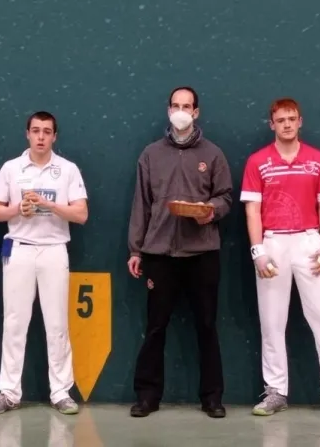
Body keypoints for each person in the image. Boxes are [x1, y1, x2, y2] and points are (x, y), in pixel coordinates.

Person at [239, 98, 320, 419]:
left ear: (300, 121)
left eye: (292, 118)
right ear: (272, 124)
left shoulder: (318, 160)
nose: (287, 124)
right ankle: (276, 391)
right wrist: (257, 250)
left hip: (309, 242)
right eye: (281, 120)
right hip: (272, 243)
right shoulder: (257, 162)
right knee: (272, 322)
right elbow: (252, 210)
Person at [127, 86, 232, 418]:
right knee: (155, 327)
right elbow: (141, 204)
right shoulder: (150, 154)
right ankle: (147, 396)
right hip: (159, 255)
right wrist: (136, 249)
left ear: (196, 112)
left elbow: (225, 197)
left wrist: (210, 211)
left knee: (207, 326)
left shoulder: (213, 154)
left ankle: (212, 397)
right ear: (168, 110)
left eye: (187, 106)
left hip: (203, 254)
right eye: (176, 105)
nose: (181, 111)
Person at [0, 111, 89, 416]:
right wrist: (18, 209)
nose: (41, 137)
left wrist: (49, 205)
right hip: (19, 250)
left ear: (55, 136)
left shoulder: (67, 170)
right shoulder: (11, 169)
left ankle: (61, 392)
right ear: (27, 134)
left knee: (57, 323)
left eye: (47, 132)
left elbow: (81, 214)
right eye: (36, 131)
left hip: (55, 251)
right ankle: (9, 392)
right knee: (14, 322)